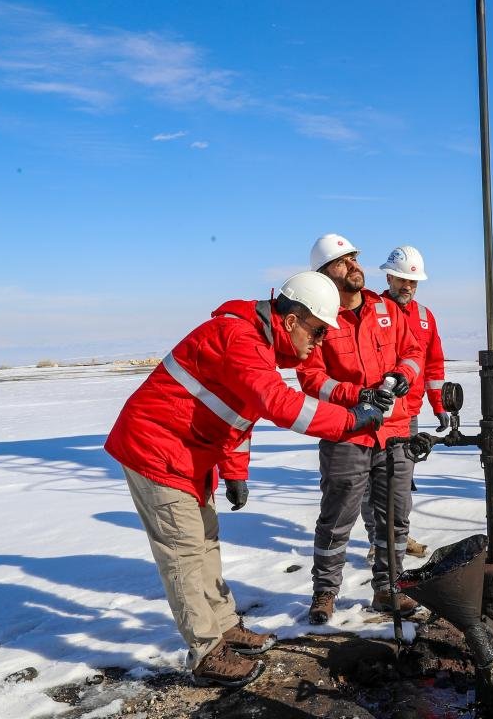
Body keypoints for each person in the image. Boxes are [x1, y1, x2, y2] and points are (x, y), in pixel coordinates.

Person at [104, 271, 385, 688]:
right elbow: (277, 403)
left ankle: (223, 625)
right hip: (155, 450)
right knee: (183, 552)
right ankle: (205, 650)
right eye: (318, 330)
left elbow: (237, 415)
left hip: (189, 453)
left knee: (206, 541)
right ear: (290, 320)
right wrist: (349, 422)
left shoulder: (255, 343)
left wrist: (235, 472)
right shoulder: (240, 339)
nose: (320, 341)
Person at [296, 233, 425, 624]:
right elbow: (310, 377)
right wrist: (358, 395)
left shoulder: (385, 308)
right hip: (347, 432)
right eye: (343, 261)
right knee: (337, 517)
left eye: (355, 258)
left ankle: (389, 588)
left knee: (395, 517)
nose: (354, 266)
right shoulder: (318, 318)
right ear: (324, 273)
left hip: (395, 430)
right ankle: (325, 593)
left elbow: (414, 351)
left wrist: (403, 374)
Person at [362, 245, 447, 560]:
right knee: (373, 482)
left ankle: (399, 535)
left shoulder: (425, 318)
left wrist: (439, 405)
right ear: (388, 276)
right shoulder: (372, 310)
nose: (407, 286)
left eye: (412, 282)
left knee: (401, 480)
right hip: (376, 412)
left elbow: (434, 366)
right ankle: (377, 539)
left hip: (408, 414)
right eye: (400, 279)